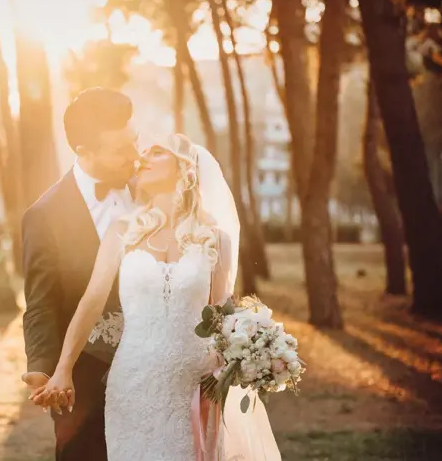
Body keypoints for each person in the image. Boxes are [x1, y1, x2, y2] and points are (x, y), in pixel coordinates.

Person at [31, 133, 281, 460]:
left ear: (185, 169)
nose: (143, 158)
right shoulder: (122, 231)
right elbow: (91, 302)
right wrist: (63, 368)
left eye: (157, 152)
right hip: (131, 383)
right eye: (143, 153)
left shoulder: (216, 239)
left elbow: (221, 314)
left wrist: (252, 348)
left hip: (195, 383)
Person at [21, 87, 139, 460]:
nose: (134, 157)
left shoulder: (154, 191)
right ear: (83, 152)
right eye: (120, 151)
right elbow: (41, 302)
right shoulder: (45, 215)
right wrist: (42, 368)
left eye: (133, 142)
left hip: (154, 363)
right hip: (84, 373)